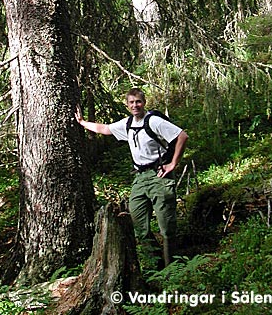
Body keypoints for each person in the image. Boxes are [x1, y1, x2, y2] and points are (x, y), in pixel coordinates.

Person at [76, 87, 188, 267]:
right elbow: (104, 129)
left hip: (159, 175)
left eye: (138, 102)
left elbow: (182, 136)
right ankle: (156, 265)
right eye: (131, 102)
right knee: (138, 224)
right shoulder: (127, 123)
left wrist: (173, 163)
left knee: (166, 228)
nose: (135, 105)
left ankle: (172, 271)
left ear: (144, 103)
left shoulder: (154, 121)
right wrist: (82, 123)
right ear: (127, 105)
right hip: (140, 178)